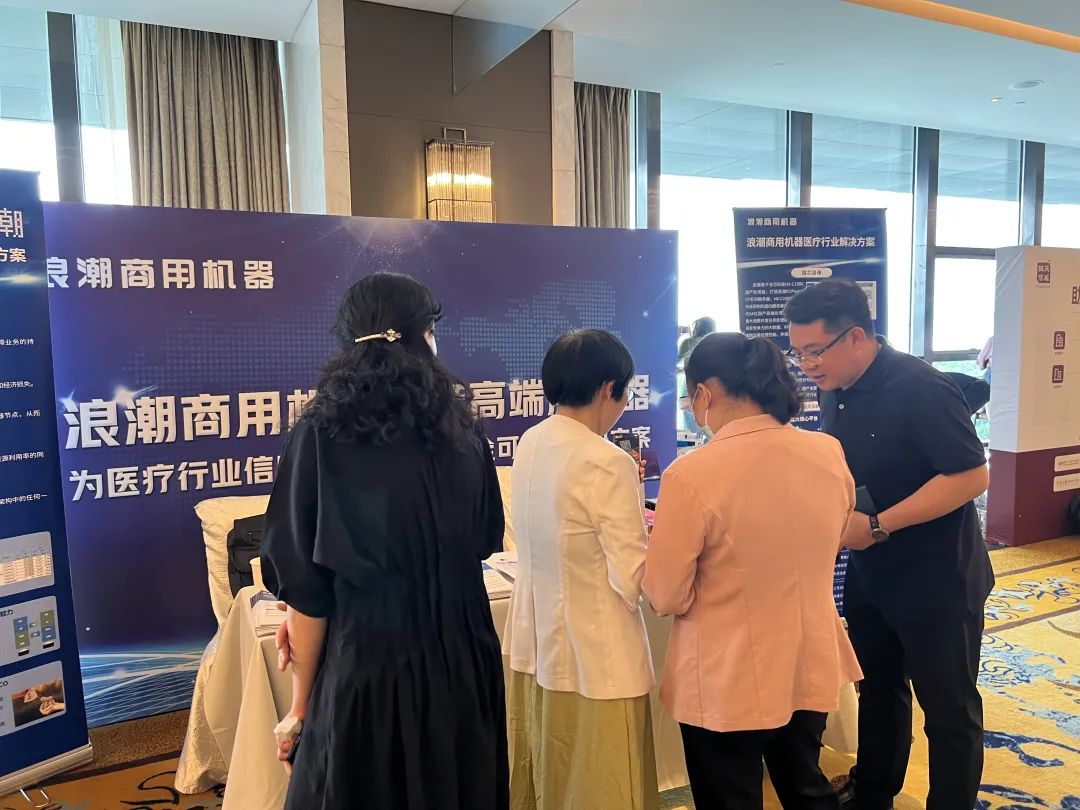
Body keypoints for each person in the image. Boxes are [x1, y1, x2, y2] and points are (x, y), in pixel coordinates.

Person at [262, 273, 509, 810]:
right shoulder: (464, 432)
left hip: (368, 671)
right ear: (423, 337)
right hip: (463, 665)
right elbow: (484, 538)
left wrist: (300, 707)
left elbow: (308, 590)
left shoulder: (321, 432)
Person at [784, 278, 991, 810]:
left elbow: (971, 476)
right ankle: (873, 790)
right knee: (878, 688)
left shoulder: (922, 388)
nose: (807, 365)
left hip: (938, 577)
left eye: (815, 351)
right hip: (872, 571)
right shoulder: (835, 387)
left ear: (856, 336)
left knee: (948, 709)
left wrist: (878, 525)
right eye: (798, 353)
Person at [643, 332, 862, 810]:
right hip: (808, 658)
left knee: (729, 797)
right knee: (805, 785)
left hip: (725, 674)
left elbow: (665, 595)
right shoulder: (827, 451)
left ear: (704, 393)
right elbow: (834, 537)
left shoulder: (692, 473)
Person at [504, 329, 658, 810]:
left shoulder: (532, 440)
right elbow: (632, 578)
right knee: (603, 784)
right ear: (608, 388)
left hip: (538, 641)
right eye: (626, 393)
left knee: (548, 772)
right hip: (597, 653)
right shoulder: (606, 460)